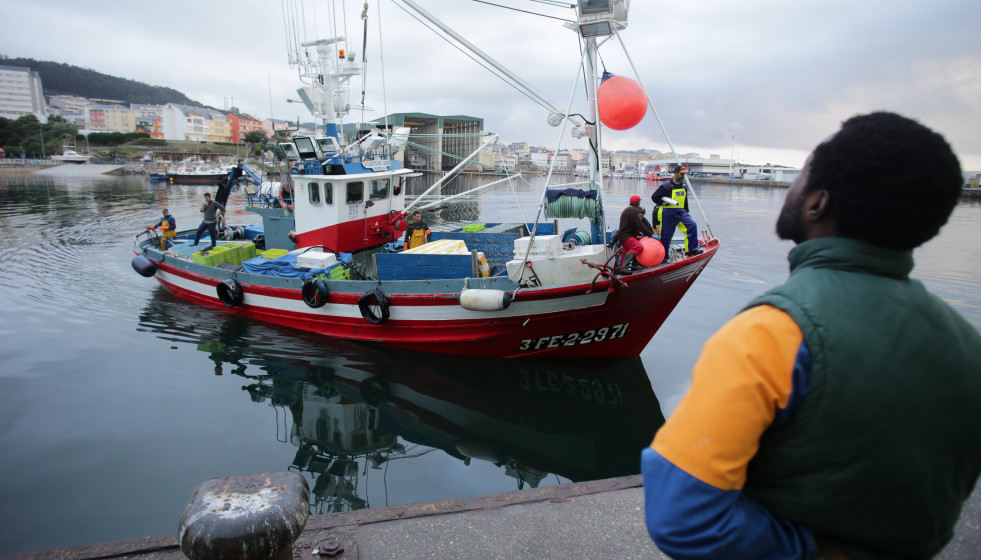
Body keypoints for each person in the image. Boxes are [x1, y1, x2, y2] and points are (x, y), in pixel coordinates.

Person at [641, 112, 981, 560]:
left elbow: (682, 519)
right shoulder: (966, 344)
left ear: (817, 203)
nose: (791, 187)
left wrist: (812, 550)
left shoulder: (773, 332)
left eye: (801, 174)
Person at [651, 165, 702, 259]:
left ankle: (691, 250)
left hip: (681, 212)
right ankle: (664, 258)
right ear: (675, 173)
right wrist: (662, 202)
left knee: (692, 225)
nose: (683, 176)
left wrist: (687, 212)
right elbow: (654, 197)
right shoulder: (666, 185)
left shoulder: (684, 185)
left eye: (684, 174)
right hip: (667, 213)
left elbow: (685, 200)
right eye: (682, 174)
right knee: (666, 237)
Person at [615, 195, 654, 270]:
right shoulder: (633, 211)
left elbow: (633, 226)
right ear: (638, 203)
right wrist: (651, 234)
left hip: (622, 237)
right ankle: (624, 268)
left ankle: (621, 269)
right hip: (626, 237)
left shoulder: (627, 210)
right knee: (638, 247)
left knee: (625, 253)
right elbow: (640, 226)